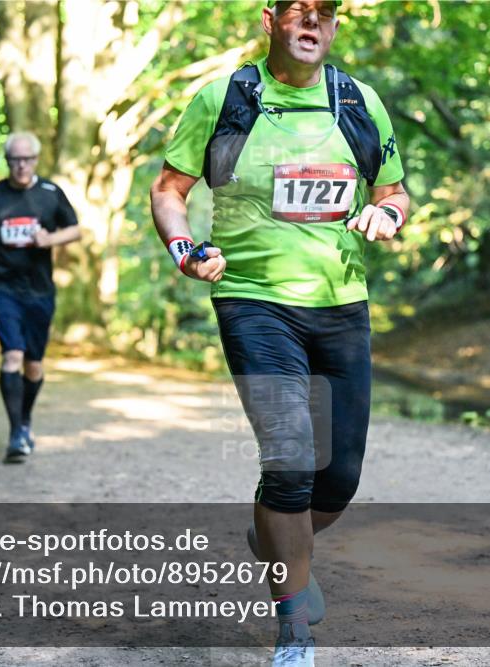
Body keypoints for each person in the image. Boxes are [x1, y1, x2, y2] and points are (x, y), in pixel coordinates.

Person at [150, 2, 408, 665]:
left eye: (325, 12)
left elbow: (395, 191)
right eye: (299, 9)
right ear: (272, 19)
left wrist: (386, 215)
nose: (312, 22)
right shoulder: (225, 97)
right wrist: (184, 248)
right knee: (290, 457)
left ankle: (273, 534)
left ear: (335, 26)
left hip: (341, 303)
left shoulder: (358, 101)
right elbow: (169, 189)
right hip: (253, 300)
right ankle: (294, 628)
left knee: (337, 480)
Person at [0, 132, 82, 464]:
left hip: (40, 291)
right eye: (15, 160)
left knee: (33, 365)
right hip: (4, 288)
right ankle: (16, 434)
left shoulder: (50, 193)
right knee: (12, 356)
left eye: (27, 159)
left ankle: (25, 420)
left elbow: (76, 229)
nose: (21, 166)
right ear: (7, 161)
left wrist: (50, 239)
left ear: (36, 160)